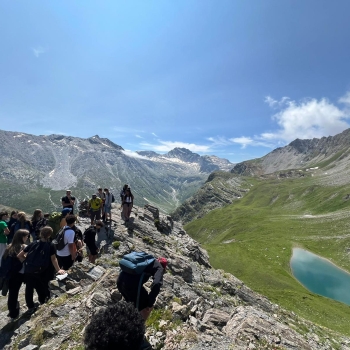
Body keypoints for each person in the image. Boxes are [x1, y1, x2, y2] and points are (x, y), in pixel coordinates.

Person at [18, 226, 65, 313]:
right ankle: (43, 302)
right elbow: (53, 259)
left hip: (29, 270)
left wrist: (28, 261)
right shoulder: (50, 245)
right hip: (42, 271)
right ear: (50, 235)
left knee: (29, 288)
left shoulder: (33, 243)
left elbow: (20, 256)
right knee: (42, 287)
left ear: (40, 233)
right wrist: (58, 270)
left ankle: (30, 306)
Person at [117, 256, 168, 320]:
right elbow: (157, 283)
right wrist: (150, 303)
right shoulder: (160, 267)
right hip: (131, 285)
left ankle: (121, 323)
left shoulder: (147, 260)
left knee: (131, 307)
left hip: (120, 280)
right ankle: (138, 327)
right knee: (144, 308)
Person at [3, 229, 28, 318]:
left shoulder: (9, 246)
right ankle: (14, 313)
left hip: (9, 273)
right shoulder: (24, 247)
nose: (27, 238)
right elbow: (24, 260)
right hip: (19, 273)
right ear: (22, 237)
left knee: (12, 293)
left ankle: (11, 311)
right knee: (15, 292)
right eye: (26, 236)